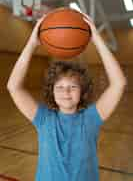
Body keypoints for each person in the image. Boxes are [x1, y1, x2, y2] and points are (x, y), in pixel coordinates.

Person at [7, 12, 127, 181]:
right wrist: (32, 44)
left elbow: (119, 83)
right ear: (52, 91)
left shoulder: (91, 119)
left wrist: (97, 40)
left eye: (73, 86)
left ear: (83, 91)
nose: (66, 92)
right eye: (60, 87)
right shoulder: (43, 119)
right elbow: (13, 86)